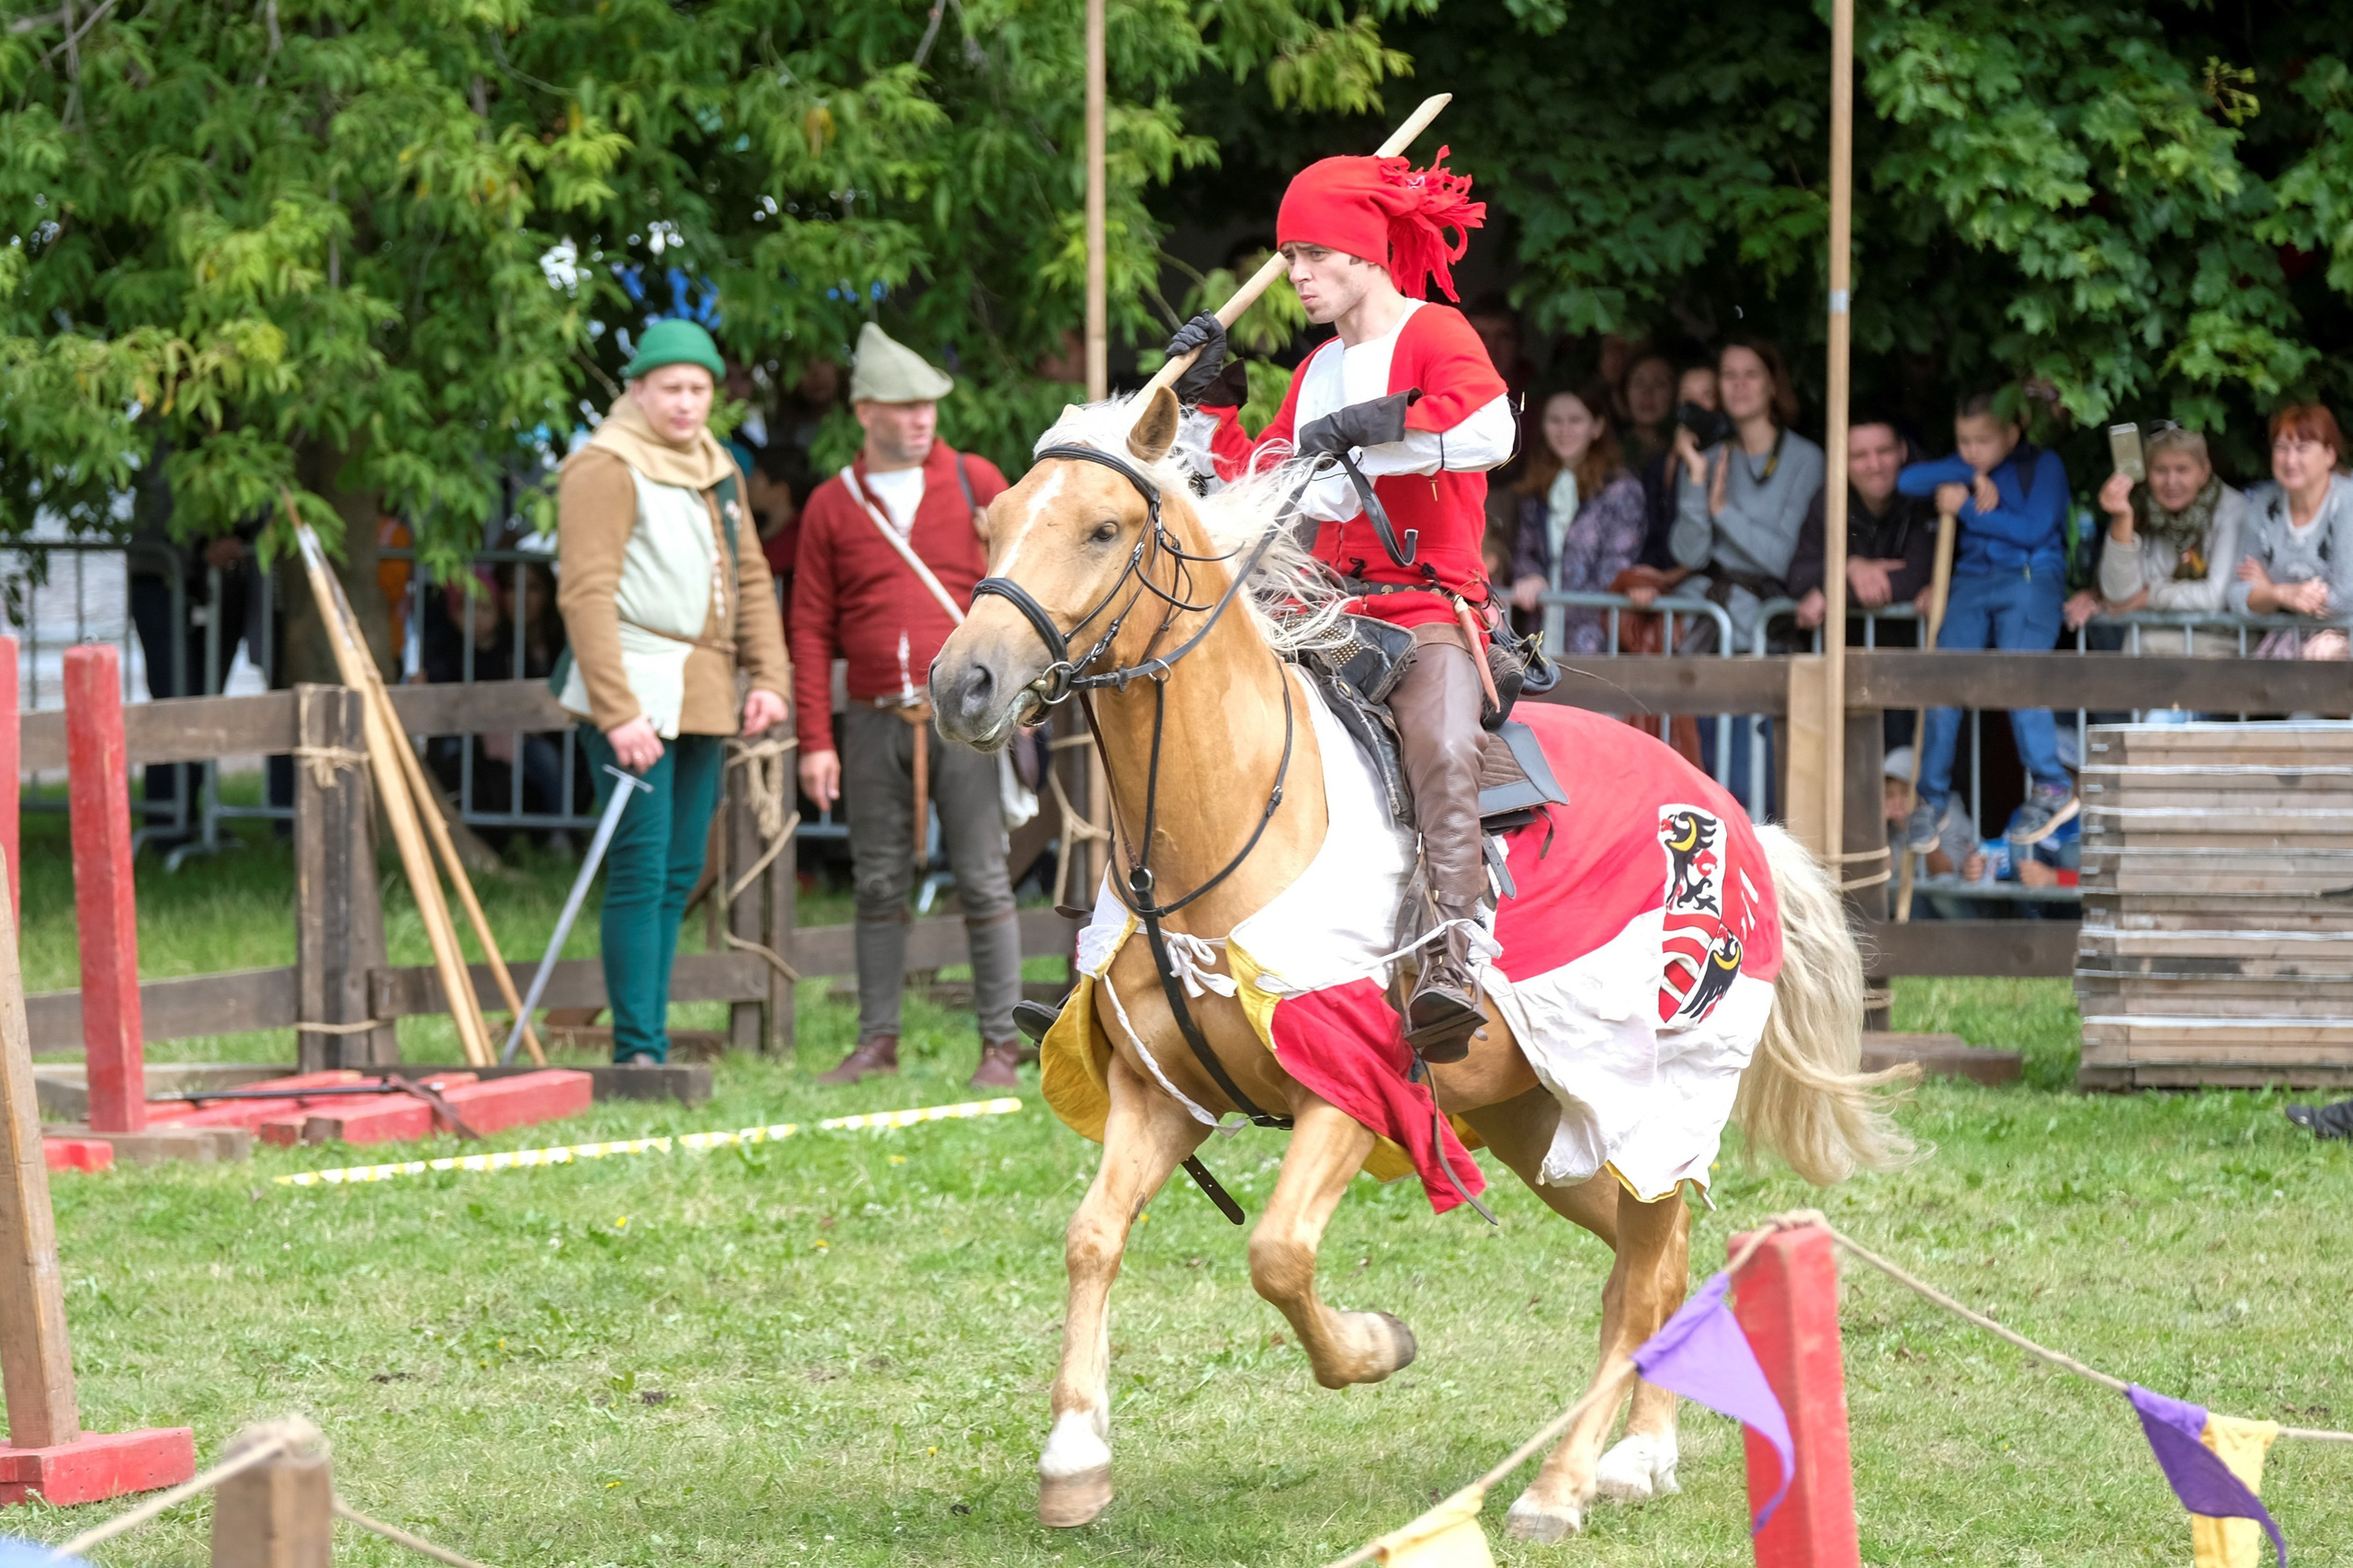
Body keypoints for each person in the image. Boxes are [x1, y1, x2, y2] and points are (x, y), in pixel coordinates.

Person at [1170, 148, 1516, 1059]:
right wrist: (1210, 410)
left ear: (1363, 253)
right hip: (1321, 609)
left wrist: (1378, 426)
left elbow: (1489, 428)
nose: (1295, 275)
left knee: (1442, 747)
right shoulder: (1316, 369)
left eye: (1311, 256)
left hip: (1424, 608)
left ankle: (1452, 962)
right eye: (1288, 259)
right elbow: (1265, 490)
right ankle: (1144, 953)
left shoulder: (1435, 333)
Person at [790, 324, 1024, 1089]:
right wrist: (815, 740)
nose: (921, 417)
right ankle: (875, 1040)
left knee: (986, 879)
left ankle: (1001, 1046)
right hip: (870, 718)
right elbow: (810, 625)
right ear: (865, 412)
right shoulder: (831, 504)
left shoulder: (976, 480)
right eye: (903, 405)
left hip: (961, 714)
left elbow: (1027, 590)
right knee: (877, 882)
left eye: (928, 404)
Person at [555, 318, 792, 1064]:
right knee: (641, 865)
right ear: (639, 390)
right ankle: (638, 1049)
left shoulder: (713, 463)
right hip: (637, 683)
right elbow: (586, 595)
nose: (687, 404)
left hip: (701, 687)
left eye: (699, 389)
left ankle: (647, 1038)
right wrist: (618, 710)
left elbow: (748, 574)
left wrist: (771, 677)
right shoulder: (604, 464)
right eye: (672, 389)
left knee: (680, 871)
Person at [1895, 392, 2076, 852]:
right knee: (1943, 682)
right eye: (1963, 440)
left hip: (2030, 578)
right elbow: (1909, 480)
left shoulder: (2044, 465)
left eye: (1983, 440)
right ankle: (1931, 799)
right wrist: (1971, 475)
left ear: (2013, 433)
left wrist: (1967, 508)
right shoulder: (1966, 467)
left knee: (2018, 678)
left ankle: (2053, 784)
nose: (1971, 448)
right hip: (1973, 583)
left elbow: (2035, 527)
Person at [1668, 338, 1824, 651]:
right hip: (1698, 622)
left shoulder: (1806, 459)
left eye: (1751, 374)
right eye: (1729, 375)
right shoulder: (1706, 459)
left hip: (1761, 631)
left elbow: (1785, 561)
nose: (1739, 385)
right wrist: (1696, 476)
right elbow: (1690, 556)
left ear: (1773, 385)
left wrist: (1723, 512)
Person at [1508, 383, 1647, 653]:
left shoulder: (1621, 489)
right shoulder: (1537, 487)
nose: (1564, 430)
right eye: (1555, 420)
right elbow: (1525, 550)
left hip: (1598, 631)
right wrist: (1531, 576)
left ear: (1597, 427)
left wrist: (1565, 600)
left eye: (1575, 420)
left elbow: (1617, 565)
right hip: (1542, 623)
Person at [2089, 423, 2246, 655]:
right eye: (2160, 470)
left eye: (2182, 470)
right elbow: (2119, 597)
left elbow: (2214, 598)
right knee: (2141, 644)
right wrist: (2123, 518)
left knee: (2145, 645)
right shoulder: (2140, 507)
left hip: (2221, 641)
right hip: (2153, 640)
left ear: (2204, 472)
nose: (2171, 482)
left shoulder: (2232, 510)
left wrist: (2149, 596)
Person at [1788, 415, 1938, 642]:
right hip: (1848, 654)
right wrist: (1849, 567)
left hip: (1917, 653)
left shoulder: (1927, 495)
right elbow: (1798, 577)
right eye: (1859, 456)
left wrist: (1835, 591)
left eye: (1884, 451)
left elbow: (1917, 577)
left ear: (1903, 451)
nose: (1874, 466)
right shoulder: (1828, 501)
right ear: (1841, 461)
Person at [2232, 403, 2353, 660]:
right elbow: (2238, 595)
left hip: (2343, 638)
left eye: (2302, 449)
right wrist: (2282, 594)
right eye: (2281, 448)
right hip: (2286, 639)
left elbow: (2347, 596)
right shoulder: (2263, 505)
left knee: (2320, 654)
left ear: (2329, 455)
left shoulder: (2347, 502)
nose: (2290, 460)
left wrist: (2270, 591)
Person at [1618, 347, 1678, 472]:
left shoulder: (1683, 451)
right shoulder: (1612, 451)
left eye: (1659, 383)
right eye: (1639, 382)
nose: (1647, 392)